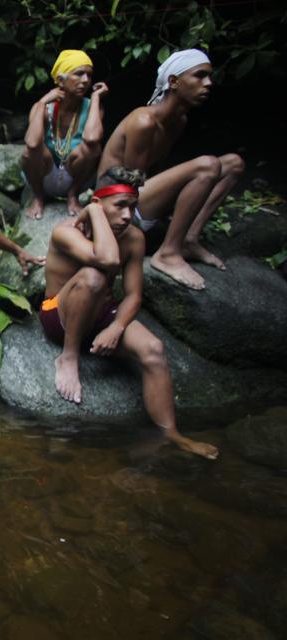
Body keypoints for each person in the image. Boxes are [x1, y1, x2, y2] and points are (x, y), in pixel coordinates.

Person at [41, 166, 218, 459]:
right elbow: (108, 260)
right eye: (120, 206)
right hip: (60, 314)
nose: (127, 216)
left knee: (154, 350)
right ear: (98, 204)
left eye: (133, 207)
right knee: (94, 277)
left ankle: (170, 434)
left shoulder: (134, 238)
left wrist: (117, 326)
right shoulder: (66, 232)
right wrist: (94, 214)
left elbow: (134, 294)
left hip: (101, 312)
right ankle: (69, 356)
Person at [98, 49, 243, 290]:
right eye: (199, 76)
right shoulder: (143, 121)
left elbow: (156, 170)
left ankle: (188, 239)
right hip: (121, 205)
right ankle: (168, 253)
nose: (208, 83)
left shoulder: (178, 121)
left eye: (209, 76)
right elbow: (131, 185)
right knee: (208, 166)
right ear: (174, 82)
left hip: (142, 197)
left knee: (233, 164)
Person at [22, 49, 106, 219]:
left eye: (89, 75)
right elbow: (31, 143)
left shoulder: (92, 107)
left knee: (93, 149)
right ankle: (38, 198)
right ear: (61, 80)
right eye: (79, 74)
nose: (85, 80)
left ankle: (72, 197)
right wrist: (43, 101)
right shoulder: (43, 107)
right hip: (43, 176)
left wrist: (96, 98)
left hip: (75, 177)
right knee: (30, 151)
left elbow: (92, 139)